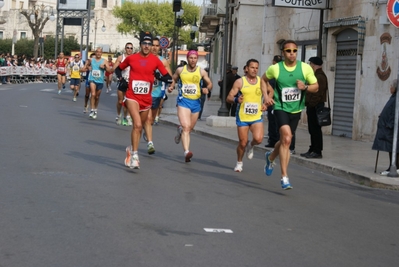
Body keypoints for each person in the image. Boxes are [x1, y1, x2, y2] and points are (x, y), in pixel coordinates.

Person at [261, 40, 319, 190]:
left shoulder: (305, 68)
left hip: (296, 109)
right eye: (288, 51)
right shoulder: (276, 69)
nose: (292, 54)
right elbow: (263, 79)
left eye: (294, 51)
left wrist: (305, 86)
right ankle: (284, 177)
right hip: (280, 107)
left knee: (285, 141)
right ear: (283, 53)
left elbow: (316, 87)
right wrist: (266, 96)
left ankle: (271, 156)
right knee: (287, 138)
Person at [116, 31, 172, 169]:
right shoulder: (132, 58)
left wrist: (161, 77)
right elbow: (118, 70)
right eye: (144, 43)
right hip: (132, 96)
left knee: (140, 127)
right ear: (140, 44)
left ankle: (130, 149)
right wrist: (122, 79)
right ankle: (135, 156)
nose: (147, 46)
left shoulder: (155, 61)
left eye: (149, 44)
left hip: (146, 98)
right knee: (137, 125)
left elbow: (167, 77)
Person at [227, 59, 272, 172]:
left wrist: (265, 103)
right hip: (243, 116)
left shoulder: (261, 81)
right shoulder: (240, 82)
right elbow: (229, 97)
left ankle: (251, 146)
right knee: (242, 142)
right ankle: (239, 162)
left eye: (257, 68)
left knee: (258, 139)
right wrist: (237, 99)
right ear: (246, 68)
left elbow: (271, 91)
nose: (255, 70)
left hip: (256, 116)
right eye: (252, 67)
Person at [169, 50, 213, 162]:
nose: (193, 60)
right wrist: (171, 86)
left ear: (197, 59)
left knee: (190, 128)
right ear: (187, 59)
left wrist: (206, 89)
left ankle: (180, 131)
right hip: (183, 101)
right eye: (191, 58)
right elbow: (174, 79)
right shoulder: (180, 70)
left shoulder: (201, 72)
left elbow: (210, 83)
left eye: (195, 58)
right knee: (186, 127)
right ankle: (186, 152)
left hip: (196, 103)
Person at [143, 37, 172, 154]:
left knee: (151, 119)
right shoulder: (143, 59)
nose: (154, 48)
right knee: (148, 118)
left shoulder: (163, 61)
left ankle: (147, 130)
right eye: (152, 45)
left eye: (156, 46)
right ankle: (150, 143)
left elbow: (170, 76)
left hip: (157, 93)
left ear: (160, 48)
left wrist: (171, 85)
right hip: (144, 92)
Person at [300, 56, 328, 159]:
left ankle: (317, 151)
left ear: (314, 65)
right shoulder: (316, 75)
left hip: (316, 106)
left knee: (316, 129)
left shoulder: (320, 76)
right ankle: (312, 148)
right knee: (312, 129)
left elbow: (318, 94)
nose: (310, 65)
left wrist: (311, 104)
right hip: (313, 106)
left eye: (311, 64)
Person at [372, 79, 399, 176]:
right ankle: (393, 165)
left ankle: (394, 166)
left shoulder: (396, 98)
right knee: (391, 148)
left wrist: (390, 124)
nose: (390, 88)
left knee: (393, 148)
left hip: (390, 128)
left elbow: (395, 113)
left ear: (395, 88)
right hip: (388, 127)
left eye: (391, 86)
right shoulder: (393, 97)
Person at [81, 47, 113, 119]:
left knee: (97, 97)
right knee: (93, 94)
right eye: (97, 52)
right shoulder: (92, 60)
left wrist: (104, 67)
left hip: (100, 81)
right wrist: (87, 66)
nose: (98, 53)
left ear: (101, 53)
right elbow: (86, 64)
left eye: (100, 52)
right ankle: (92, 110)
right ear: (95, 53)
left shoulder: (104, 61)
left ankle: (95, 109)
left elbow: (109, 71)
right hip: (92, 80)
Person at [113, 42, 134, 126]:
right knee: (120, 101)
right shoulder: (121, 57)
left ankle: (126, 117)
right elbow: (116, 68)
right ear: (125, 49)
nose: (129, 49)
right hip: (122, 81)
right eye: (128, 47)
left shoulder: (134, 58)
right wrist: (119, 77)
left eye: (131, 48)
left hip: (131, 82)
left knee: (128, 101)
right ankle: (118, 115)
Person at [265, 55, 283, 148]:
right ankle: (277, 140)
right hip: (281, 101)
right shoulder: (283, 73)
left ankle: (273, 141)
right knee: (278, 122)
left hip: (273, 101)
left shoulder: (273, 73)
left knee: (273, 122)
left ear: (273, 62)